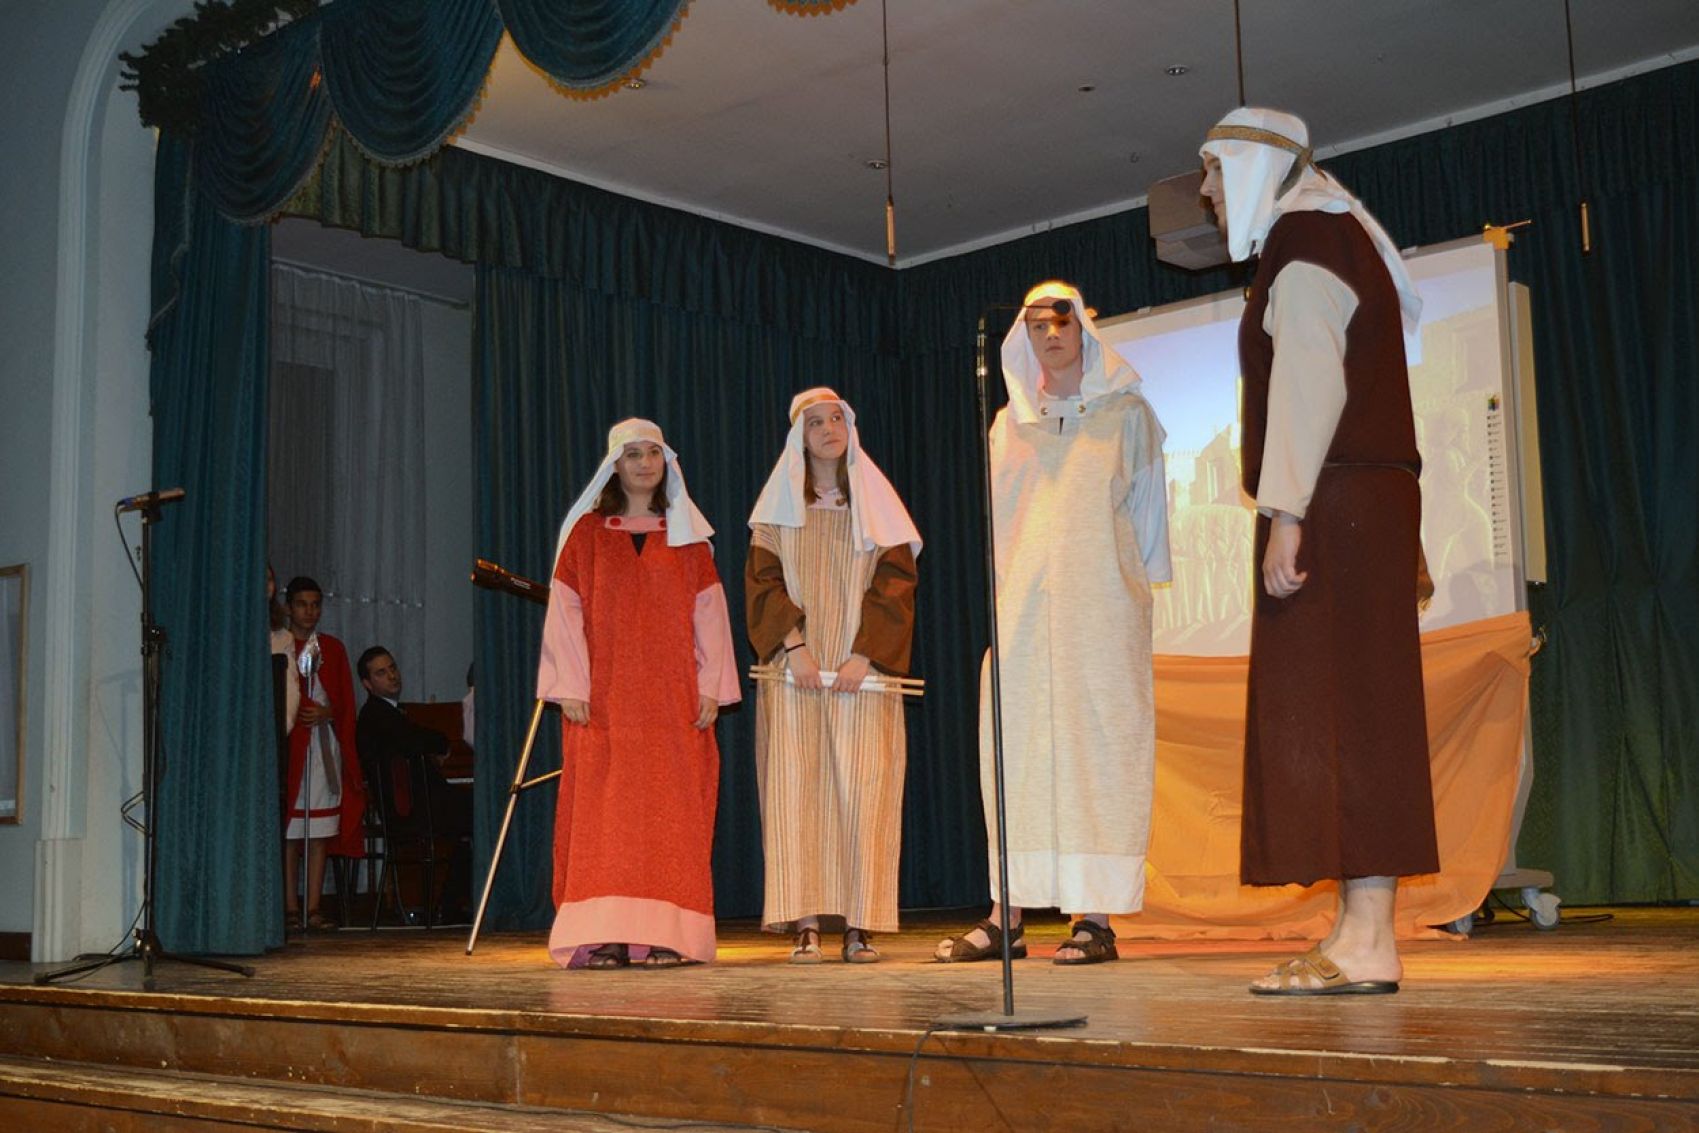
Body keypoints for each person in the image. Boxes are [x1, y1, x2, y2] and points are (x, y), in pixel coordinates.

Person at [1199, 107, 1439, 995]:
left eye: (1213, 171)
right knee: (1352, 709)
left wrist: (1286, 511)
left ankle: (1369, 940)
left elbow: (1308, 380)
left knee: (1348, 714)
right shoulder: (1328, 234)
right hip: (1351, 501)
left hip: (1332, 501)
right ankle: (1356, 929)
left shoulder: (1306, 237)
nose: (1206, 190)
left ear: (1252, 166)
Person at [937, 281, 1171, 966]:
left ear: (1084, 330)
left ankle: (1093, 918)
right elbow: (1002, 527)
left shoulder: (1127, 414)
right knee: (1018, 754)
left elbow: (1149, 525)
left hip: (1102, 612)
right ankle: (1005, 915)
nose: (1050, 334)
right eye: (1036, 325)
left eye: (1061, 322)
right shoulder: (1007, 426)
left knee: (1097, 750)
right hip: (1023, 613)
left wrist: (1128, 598)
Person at [536, 419, 740, 969]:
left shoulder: (689, 540)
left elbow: (710, 619)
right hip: (605, 702)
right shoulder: (586, 537)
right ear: (614, 466)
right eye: (633, 454)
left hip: (673, 702)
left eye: (653, 453)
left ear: (666, 464)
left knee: (671, 819)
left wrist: (712, 688)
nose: (644, 463)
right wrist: (569, 685)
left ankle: (670, 936)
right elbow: (565, 613)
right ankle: (604, 934)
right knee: (606, 821)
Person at [746, 388, 921, 964]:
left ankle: (860, 923)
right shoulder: (776, 512)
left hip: (860, 675)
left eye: (836, 418)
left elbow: (895, 586)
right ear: (799, 437)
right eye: (816, 422)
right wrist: (794, 648)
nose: (828, 429)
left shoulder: (878, 506)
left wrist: (864, 655)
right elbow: (764, 583)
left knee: (865, 793)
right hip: (795, 673)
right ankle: (805, 922)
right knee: (797, 790)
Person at [355, 646, 474, 923]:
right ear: (367, 684)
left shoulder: (389, 714)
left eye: (392, 668)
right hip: (411, 810)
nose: (392, 676)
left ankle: (452, 904)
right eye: (381, 673)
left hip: (420, 805)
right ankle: (452, 906)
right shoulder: (377, 716)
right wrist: (441, 744)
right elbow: (417, 739)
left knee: (472, 819)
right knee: (483, 813)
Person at [280, 576, 367, 930]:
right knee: (289, 833)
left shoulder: (332, 648)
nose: (309, 611)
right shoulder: (279, 644)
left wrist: (326, 713)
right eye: (302, 604)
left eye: (315, 605)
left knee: (317, 833)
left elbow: (345, 703)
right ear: (289, 607)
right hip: (291, 749)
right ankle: (289, 908)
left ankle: (312, 908)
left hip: (322, 748)